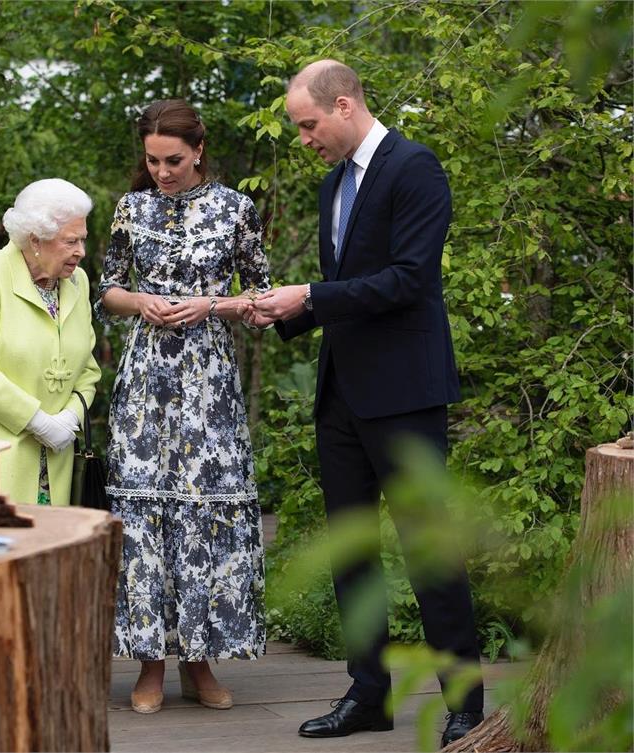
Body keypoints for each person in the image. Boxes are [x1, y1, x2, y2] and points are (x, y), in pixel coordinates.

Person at [246, 60, 484, 747]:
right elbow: (349, 288)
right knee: (352, 552)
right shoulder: (332, 186)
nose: (303, 138)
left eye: (308, 124)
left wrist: (312, 296)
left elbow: (408, 279)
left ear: (344, 105)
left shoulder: (415, 168)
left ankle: (466, 704)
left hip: (406, 395)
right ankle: (369, 694)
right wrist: (283, 312)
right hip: (342, 396)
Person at [97, 99, 271, 715]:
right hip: (145, 381)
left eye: (173, 160)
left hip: (208, 381)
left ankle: (200, 662)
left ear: (198, 150)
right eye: (152, 160)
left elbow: (264, 296)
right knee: (145, 519)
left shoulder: (235, 209)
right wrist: (139, 300)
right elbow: (106, 289)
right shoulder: (132, 208)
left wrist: (211, 306)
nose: (162, 171)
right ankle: (149, 665)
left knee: (203, 514)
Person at [0, 178, 100, 507]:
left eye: (82, 240)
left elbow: (88, 372)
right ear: (35, 240)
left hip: (56, 463)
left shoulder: (78, 282)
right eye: (71, 241)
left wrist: (69, 420)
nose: (81, 252)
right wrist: (38, 422)